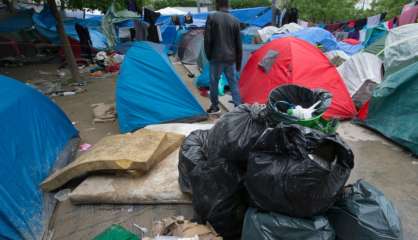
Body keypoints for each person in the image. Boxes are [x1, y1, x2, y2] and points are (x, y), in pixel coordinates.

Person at [204, 0, 242, 114]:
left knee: (214, 83)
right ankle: (238, 108)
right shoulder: (235, 20)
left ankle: (215, 107)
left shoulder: (211, 17)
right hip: (231, 59)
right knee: (233, 83)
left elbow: (207, 39)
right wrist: (238, 62)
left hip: (216, 57)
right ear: (228, 5)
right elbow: (238, 44)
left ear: (217, 4)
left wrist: (209, 55)